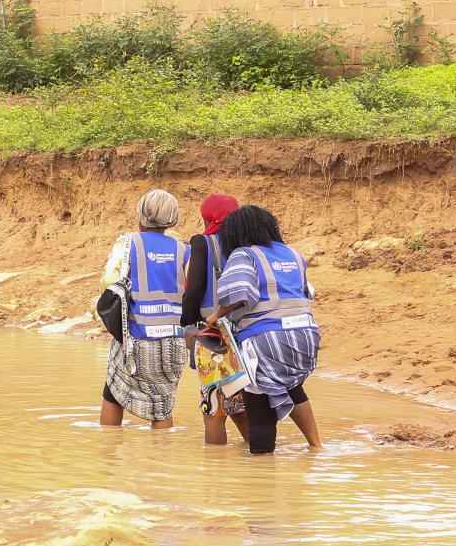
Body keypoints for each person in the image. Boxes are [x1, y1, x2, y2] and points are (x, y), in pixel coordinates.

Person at [207, 205, 324, 455]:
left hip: (266, 340)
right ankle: (316, 446)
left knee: (259, 409)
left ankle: (261, 476)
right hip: (306, 336)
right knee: (291, 386)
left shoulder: (245, 255)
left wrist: (215, 317)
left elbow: (239, 294)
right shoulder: (293, 254)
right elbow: (307, 292)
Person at [100, 189, 189, 430]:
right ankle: (160, 461)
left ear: (140, 215)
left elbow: (109, 282)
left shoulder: (126, 243)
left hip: (136, 337)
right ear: (173, 219)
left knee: (113, 392)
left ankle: (108, 452)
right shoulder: (184, 250)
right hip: (174, 340)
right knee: (162, 404)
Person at [181, 193, 249, 446]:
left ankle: (215, 472)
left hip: (214, 334)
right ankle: (257, 460)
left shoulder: (203, 243)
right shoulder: (250, 244)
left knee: (213, 409)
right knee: (241, 402)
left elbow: (194, 289)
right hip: (248, 333)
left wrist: (187, 323)